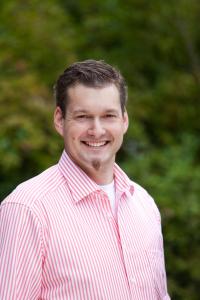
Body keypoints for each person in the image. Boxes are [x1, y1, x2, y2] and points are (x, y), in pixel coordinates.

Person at [0, 59, 170, 299]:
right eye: (83, 117)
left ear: (124, 121)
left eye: (108, 116)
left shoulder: (143, 204)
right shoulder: (27, 208)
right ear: (60, 120)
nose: (97, 130)